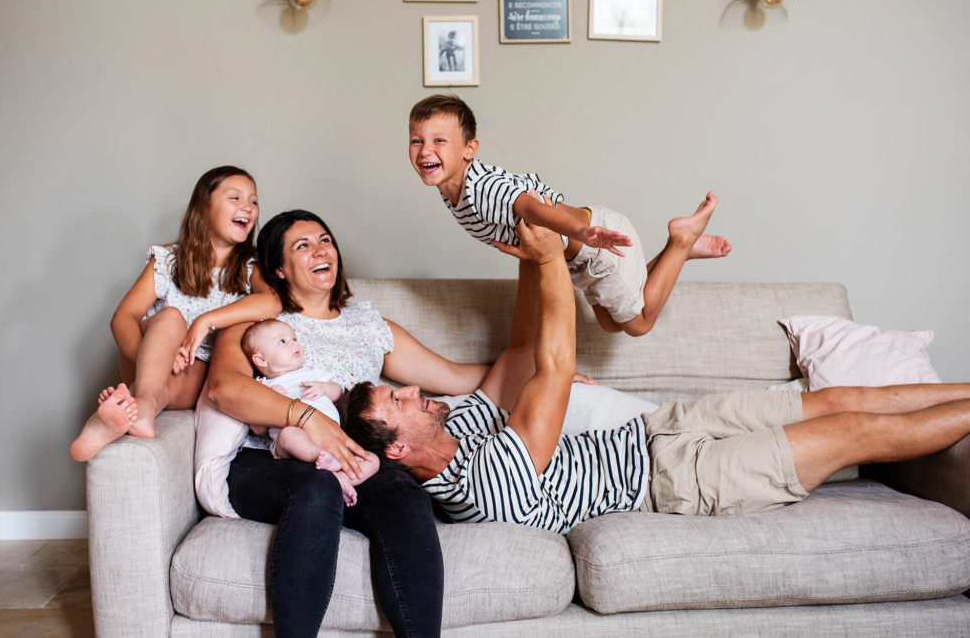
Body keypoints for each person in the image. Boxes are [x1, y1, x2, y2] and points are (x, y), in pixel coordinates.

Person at [344, 212, 970, 535]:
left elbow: (518, 355)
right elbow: (555, 369)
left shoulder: (459, 427)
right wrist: (557, 260)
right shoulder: (476, 486)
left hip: (662, 426)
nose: (413, 390)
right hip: (686, 477)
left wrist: (537, 260)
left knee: (839, 398)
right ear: (397, 447)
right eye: (396, 400)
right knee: (856, 431)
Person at [203, 209, 490, 637]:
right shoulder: (256, 326)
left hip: (349, 457)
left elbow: (458, 377)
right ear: (278, 269)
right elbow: (223, 388)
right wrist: (305, 418)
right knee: (316, 486)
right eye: (302, 246)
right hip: (269, 458)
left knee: (406, 494)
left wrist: (539, 374)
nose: (321, 250)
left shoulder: (370, 326)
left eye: (325, 240)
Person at [408, 93, 732, 337]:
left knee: (638, 324)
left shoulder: (480, 189)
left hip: (592, 245)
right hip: (583, 255)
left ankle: (680, 242)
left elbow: (530, 207)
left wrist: (580, 231)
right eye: (416, 141)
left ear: (469, 148)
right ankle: (680, 251)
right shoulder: (456, 189)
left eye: (439, 141)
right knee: (610, 323)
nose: (425, 150)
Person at [69, 165, 280, 462]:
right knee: (170, 317)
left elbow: (271, 302)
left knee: (168, 378)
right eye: (235, 198)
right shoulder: (169, 260)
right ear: (204, 208)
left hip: (193, 374)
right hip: (148, 359)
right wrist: (151, 356)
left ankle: (124, 412)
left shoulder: (250, 266)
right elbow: (123, 317)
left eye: (254, 201)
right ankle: (139, 406)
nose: (248, 206)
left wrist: (206, 321)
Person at [240, 318, 379, 506]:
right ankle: (320, 458)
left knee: (372, 460)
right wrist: (270, 400)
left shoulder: (312, 372)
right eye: (282, 341)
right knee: (289, 434)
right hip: (291, 447)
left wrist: (324, 388)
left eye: (294, 338)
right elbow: (257, 429)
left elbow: (338, 392)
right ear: (261, 359)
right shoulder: (264, 387)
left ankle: (341, 480)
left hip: (331, 438)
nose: (294, 343)